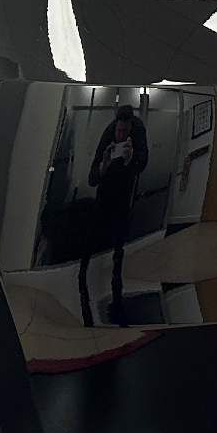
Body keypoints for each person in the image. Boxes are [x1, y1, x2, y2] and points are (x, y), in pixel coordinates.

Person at [78, 105, 148, 327]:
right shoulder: (108, 132)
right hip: (104, 193)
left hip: (124, 195)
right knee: (91, 236)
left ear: (131, 128)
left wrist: (129, 160)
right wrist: (104, 165)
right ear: (115, 126)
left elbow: (142, 163)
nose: (120, 135)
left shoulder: (138, 131)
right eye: (118, 130)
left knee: (120, 241)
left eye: (124, 131)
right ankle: (82, 276)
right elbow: (92, 179)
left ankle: (117, 291)